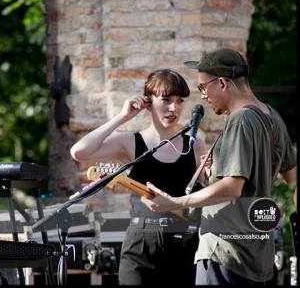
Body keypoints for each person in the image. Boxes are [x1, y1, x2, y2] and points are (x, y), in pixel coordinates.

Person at [141, 48, 297, 285]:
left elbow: (232, 187)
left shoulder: (240, 119)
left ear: (223, 83)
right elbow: (292, 178)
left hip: (225, 252)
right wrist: (216, 171)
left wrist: (175, 202)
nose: (203, 96)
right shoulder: (272, 115)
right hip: (257, 258)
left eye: (204, 87)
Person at [70, 69, 208, 285]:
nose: (174, 108)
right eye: (166, 100)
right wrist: (123, 116)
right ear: (148, 102)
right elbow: (79, 152)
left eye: (180, 101)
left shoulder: (195, 143)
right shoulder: (131, 142)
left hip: (184, 245)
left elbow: (210, 191)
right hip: (141, 245)